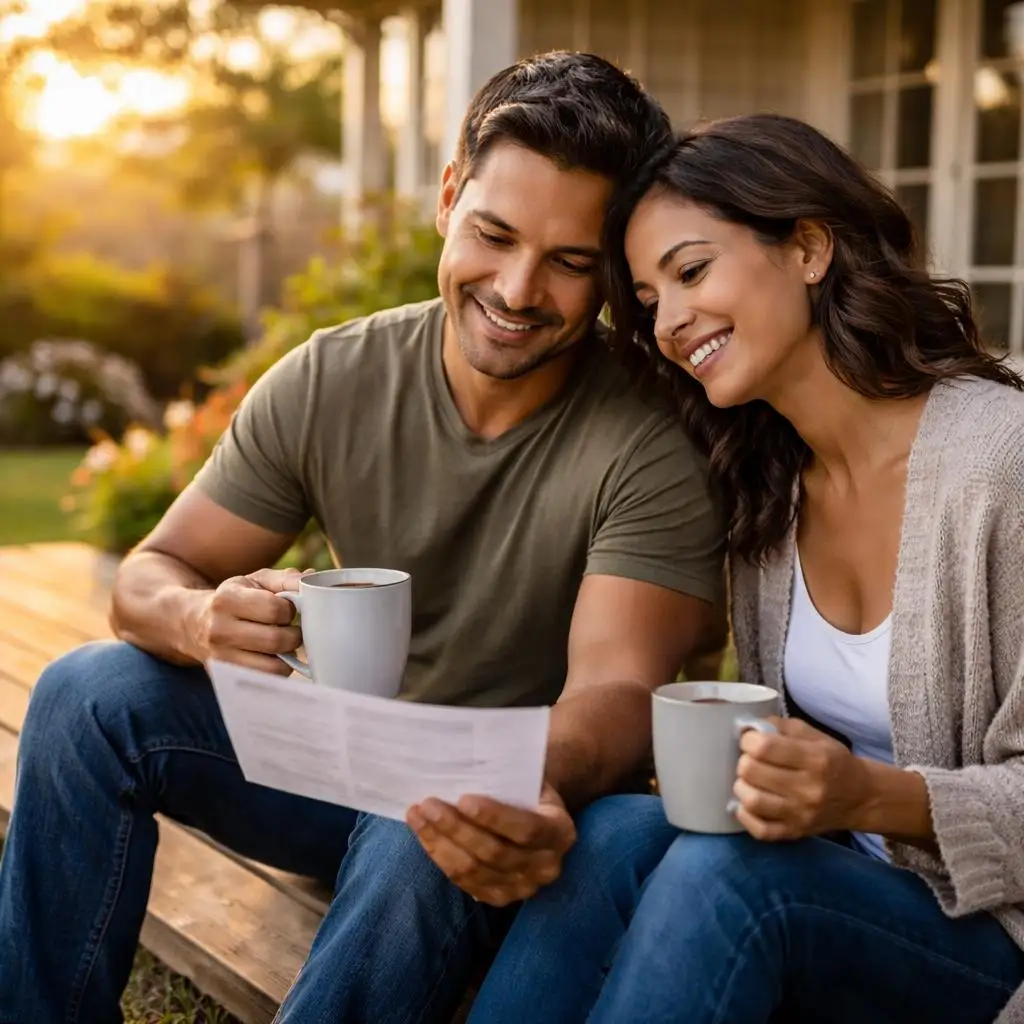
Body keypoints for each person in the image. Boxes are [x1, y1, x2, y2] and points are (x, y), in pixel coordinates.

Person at [0, 53, 726, 1024]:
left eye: (569, 261)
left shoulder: (647, 436)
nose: (517, 289)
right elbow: (149, 576)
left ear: (613, 272)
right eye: (494, 234)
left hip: (527, 799)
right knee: (86, 691)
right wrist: (201, 617)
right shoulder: (335, 377)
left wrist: (484, 777)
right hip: (344, 764)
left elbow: (617, 694)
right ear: (446, 199)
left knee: (425, 813)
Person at [467, 113, 1024, 1024]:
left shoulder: (1001, 466)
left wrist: (871, 796)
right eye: (647, 300)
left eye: (691, 272)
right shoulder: (769, 491)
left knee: (730, 875)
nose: (672, 322)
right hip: (848, 900)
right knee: (610, 834)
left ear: (808, 247)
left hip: (991, 939)